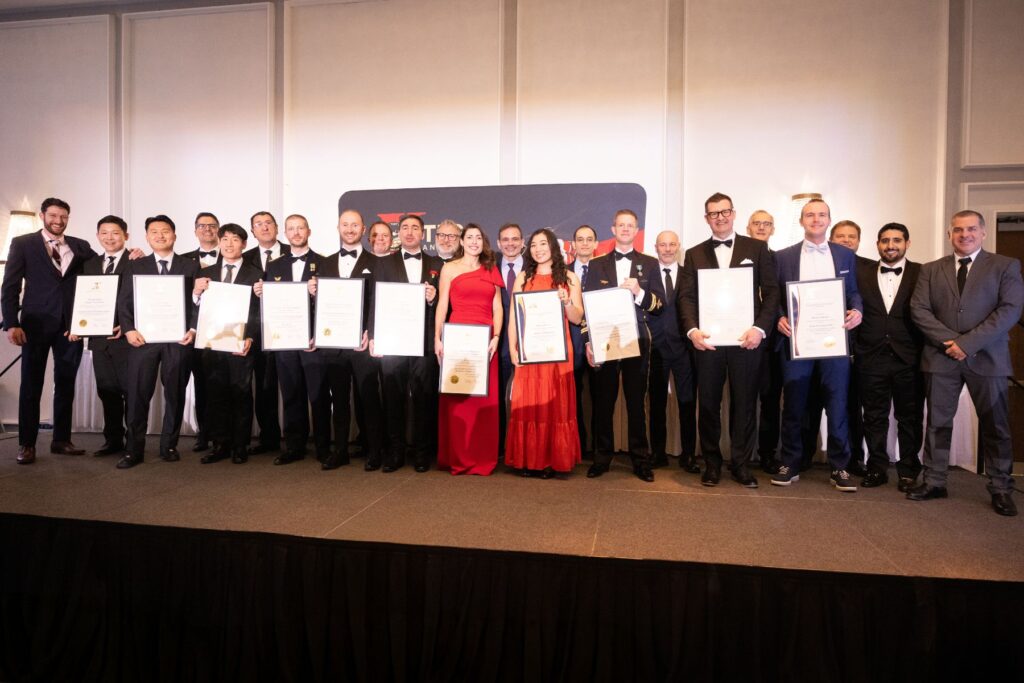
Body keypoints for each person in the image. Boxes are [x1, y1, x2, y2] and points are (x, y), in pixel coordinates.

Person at [908, 210, 1024, 516]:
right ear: (949, 235)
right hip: (940, 357)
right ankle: (934, 480)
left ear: (983, 233)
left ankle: (1000, 488)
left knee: (996, 426)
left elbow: (1010, 310)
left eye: (971, 229)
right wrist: (951, 342)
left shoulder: (1005, 266)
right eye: (958, 230)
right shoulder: (931, 270)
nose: (964, 234)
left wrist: (967, 344)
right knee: (937, 423)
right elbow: (919, 310)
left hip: (988, 358)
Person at [680, 193, 779, 488]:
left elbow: (771, 293)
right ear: (706, 218)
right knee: (708, 404)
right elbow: (686, 298)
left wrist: (759, 329)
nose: (720, 217)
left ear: (734, 214)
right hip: (708, 341)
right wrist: (692, 331)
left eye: (724, 212)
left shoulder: (757, 249)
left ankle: (740, 464)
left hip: (745, 340)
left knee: (745, 405)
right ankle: (711, 464)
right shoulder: (694, 253)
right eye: (713, 214)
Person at [772, 199, 863, 491]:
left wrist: (857, 311)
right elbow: (773, 296)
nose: (816, 219)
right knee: (794, 406)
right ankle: (790, 462)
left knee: (837, 406)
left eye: (821, 215)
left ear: (829, 220)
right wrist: (778, 318)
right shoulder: (782, 256)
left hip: (833, 342)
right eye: (810, 215)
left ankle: (840, 467)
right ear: (801, 221)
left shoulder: (845, 255)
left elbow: (853, 293)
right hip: (796, 343)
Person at [2, 197, 96, 463]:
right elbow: (9, 287)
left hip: (70, 327)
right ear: (42, 215)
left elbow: (103, 269)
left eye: (63, 216)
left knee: (65, 384)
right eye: (53, 215)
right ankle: (27, 444)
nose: (58, 221)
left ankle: (61, 439)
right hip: (34, 326)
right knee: (31, 385)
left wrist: (131, 254)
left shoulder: (80, 246)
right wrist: (11, 323)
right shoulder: (23, 244)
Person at [582, 209, 665, 482]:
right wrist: (588, 342)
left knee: (635, 403)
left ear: (636, 230)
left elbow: (659, 306)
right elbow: (587, 307)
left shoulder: (650, 264)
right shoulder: (596, 264)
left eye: (631, 225)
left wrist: (639, 292)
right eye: (621, 225)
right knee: (603, 402)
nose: (626, 229)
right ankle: (602, 458)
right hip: (605, 341)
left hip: (636, 341)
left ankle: (641, 460)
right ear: (613, 229)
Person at [115, 215, 199, 469]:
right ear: (147, 236)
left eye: (165, 231)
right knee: (138, 394)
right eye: (154, 232)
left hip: (178, 340)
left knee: (175, 393)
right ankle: (133, 450)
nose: (160, 236)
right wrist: (128, 330)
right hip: (144, 340)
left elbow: (198, 302)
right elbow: (124, 301)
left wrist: (194, 329)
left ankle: (169, 445)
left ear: (174, 235)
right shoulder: (136, 265)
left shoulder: (190, 266)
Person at [506, 228, 583, 478]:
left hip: (558, 353)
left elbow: (577, 318)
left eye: (544, 243)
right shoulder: (522, 278)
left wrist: (567, 301)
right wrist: (513, 347)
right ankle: (529, 459)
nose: (539, 249)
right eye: (534, 244)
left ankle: (553, 460)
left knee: (555, 405)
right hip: (531, 352)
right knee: (528, 403)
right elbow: (514, 319)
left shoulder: (570, 278)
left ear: (554, 247)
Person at [370, 214, 443, 472]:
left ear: (423, 234)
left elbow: (446, 306)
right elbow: (374, 301)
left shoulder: (437, 264)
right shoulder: (384, 263)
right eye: (405, 228)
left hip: (424, 342)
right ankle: (395, 451)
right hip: (392, 341)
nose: (410, 232)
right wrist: (374, 335)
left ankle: (422, 453)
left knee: (424, 397)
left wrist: (433, 299)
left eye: (415, 228)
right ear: (398, 233)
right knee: (392, 396)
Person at [254, 214, 329, 465]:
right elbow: (273, 305)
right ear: (284, 233)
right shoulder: (274, 266)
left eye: (300, 228)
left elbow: (332, 306)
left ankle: (323, 446)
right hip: (285, 341)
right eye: (291, 229)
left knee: (318, 396)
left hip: (313, 342)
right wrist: (260, 293)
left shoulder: (325, 263)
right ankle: (294, 445)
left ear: (309, 231)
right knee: (291, 394)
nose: (296, 233)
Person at [855, 222, 924, 491]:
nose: (890, 245)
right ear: (877, 245)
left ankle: (908, 471)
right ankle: (877, 467)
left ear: (907, 243)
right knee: (874, 417)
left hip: (909, 357)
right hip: (871, 357)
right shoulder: (862, 273)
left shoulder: (922, 273)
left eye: (896, 240)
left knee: (910, 417)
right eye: (885, 240)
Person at [312, 209, 381, 471]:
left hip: (362, 344)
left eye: (355, 225)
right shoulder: (325, 263)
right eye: (345, 224)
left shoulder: (376, 263)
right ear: (338, 228)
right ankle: (340, 450)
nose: (350, 229)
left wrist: (370, 333)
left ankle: (374, 451)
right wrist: (311, 293)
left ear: (363, 230)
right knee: (338, 400)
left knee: (368, 398)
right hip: (334, 345)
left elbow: (377, 303)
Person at [434, 223, 504, 475]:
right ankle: (459, 457)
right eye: (469, 237)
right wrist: (437, 338)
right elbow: (442, 305)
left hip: (485, 343)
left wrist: (497, 336)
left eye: (478, 238)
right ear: (461, 242)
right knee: (459, 399)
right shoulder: (449, 268)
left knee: (483, 400)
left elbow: (498, 307)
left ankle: (482, 458)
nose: (474, 241)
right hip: (458, 339)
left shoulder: (491, 269)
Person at [191, 223, 261, 464]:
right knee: (216, 394)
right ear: (219, 242)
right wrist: (196, 293)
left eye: (235, 239)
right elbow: (195, 308)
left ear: (244, 244)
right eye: (225, 239)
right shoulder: (205, 272)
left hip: (241, 344)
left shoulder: (256, 274)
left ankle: (240, 445)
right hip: (212, 343)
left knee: (241, 394)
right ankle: (220, 444)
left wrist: (251, 335)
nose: (229, 244)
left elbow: (259, 311)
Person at [802, 220, 866, 474]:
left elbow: (855, 296)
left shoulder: (862, 266)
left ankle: (848, 461)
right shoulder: (796, 258)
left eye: (852, 236)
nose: (846, 241)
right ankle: (804, 458)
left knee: (844, 408)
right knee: (806, 405)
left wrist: (857, 310)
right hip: (806, 345)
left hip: (846, 347)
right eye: (841, 236)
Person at [67, 215, 132, 457]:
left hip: (127, 339)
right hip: (99, 340)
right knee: (107, 390)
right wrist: (76, 326)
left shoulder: (138, 261)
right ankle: (113, 439)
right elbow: (83, 300)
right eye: (104, 233)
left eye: (115, 233)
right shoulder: (90, 264)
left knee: (130, 392)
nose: (110, 238)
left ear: (126, 235)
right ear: (97, 236)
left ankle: (133, 441)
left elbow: (142, 299)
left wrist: (127, 325)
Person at [648, 230, 699, 473]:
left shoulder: (690, 273)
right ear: (655, 247)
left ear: (678, 247)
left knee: (687, 403)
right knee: (656, 404)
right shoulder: (646, 274)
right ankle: (657, 454)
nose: (667, 249)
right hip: (655, 348)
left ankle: (688, 454)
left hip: (684, 349)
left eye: (672, 245)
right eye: (663, 245)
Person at [242, 211, 289, 455]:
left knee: (293, 387)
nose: (264, 227)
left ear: (277, 227)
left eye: (268, 223)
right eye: (258, 224)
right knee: (264, 386)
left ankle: (294, 440)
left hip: (290, 329)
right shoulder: (244, 257)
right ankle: (268, 437)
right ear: (252, 231)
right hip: (257, 332)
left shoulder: (294, 252)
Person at [745, 210, 783, 473]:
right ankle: (743, 455)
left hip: (773, 341)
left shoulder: (781, 259)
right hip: (743, 337)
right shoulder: (739, 255)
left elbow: (780, 295)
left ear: (773, 228)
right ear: (748, 228)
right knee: (745, 398)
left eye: (766, 223)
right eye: (756, 223)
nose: (761, 227)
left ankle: (768, 453)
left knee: (770, 399)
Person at [181, 211, 220, 453]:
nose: (207, 229)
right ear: (195, 231)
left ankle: (222, 434)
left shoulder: (232, 256)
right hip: (196, 334)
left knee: (223, 385)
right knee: (202, 386)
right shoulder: (184, 261)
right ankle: (204, 433)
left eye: (212, 226)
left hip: (225, 332)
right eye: (202, 226)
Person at [567, 225, 599, 458]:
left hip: (600, 341)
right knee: (573, 396)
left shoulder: (606, 271)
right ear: (573, 244)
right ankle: (578, 445)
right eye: (580, 239)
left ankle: (599, 448)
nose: (585, 243)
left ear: (597, 244)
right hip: (572, 341)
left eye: (589, 239)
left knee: (600, 397)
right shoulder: (562, 274)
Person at [496, 222, 525, 460]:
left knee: (526, 395)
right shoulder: (488, 266)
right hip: (496, 340)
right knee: (497, 395)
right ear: (498, 244)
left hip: (529, 341)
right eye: (505, 239)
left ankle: (523, 445)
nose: (510, 243)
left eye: (515, 239)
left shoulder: (536, 269)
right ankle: (501, 446)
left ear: (523, 242)